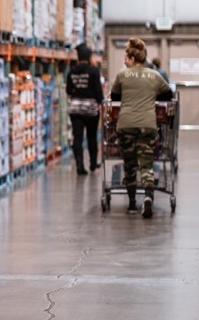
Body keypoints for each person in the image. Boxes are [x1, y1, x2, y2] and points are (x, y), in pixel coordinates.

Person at [110, 38, 174, 219]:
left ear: (132, 58)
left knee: (130, 166)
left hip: (126, 124)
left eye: (125, 58)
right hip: (147, 125)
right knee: (146, 165)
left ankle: (131, 204)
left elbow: (115, 97)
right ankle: (148, 196)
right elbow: (168, 94)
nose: (124, 61)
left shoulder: (123, 75)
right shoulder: (154, 75)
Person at [66, 44, 104, 176]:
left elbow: (68, 90)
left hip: (75, 108)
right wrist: (101, 102)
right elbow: (98, 90)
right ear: (88, 57)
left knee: (77, 138)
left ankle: (80, 166)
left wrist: (77, 92)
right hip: (91, 109)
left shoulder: (72, 71)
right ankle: (93, 164)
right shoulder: (93, 71)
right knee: (91, 137)